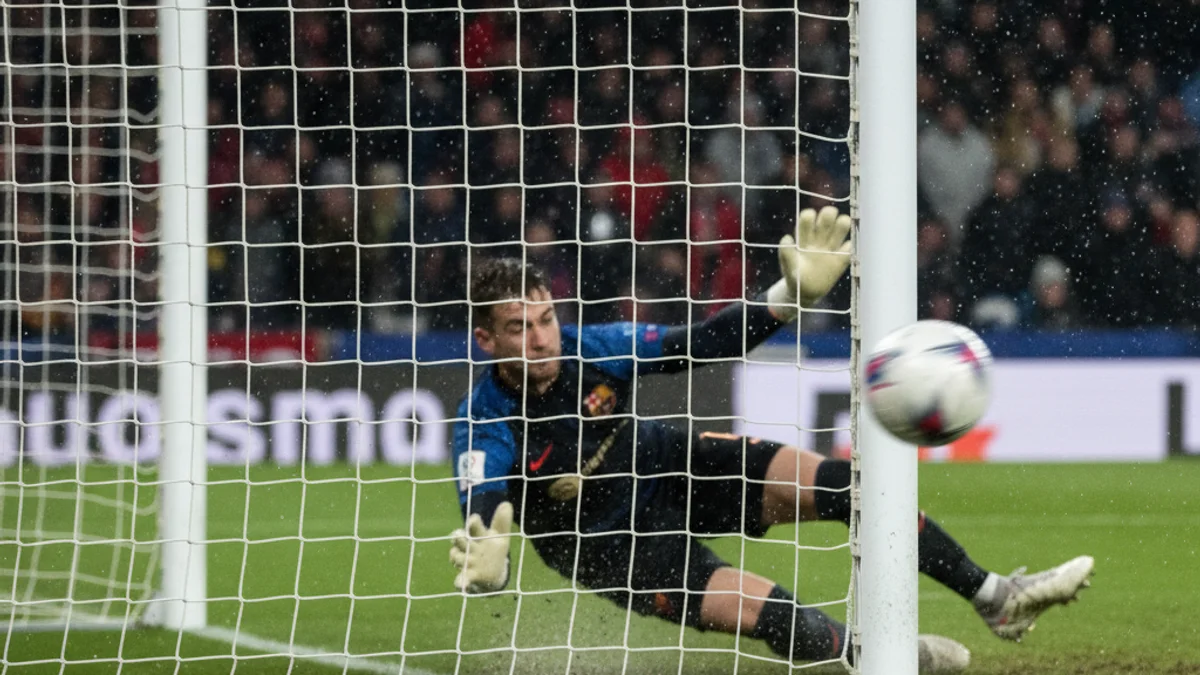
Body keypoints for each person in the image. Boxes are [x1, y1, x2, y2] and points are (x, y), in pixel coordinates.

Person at [448, 207, 1093, 673]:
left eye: (545, 319)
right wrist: (487, 546)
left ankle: (997, 599)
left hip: (663, 462)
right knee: (769, 610)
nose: (542, 339)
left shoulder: (594, 349)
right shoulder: (486, 417)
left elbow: (700, 344)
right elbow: (485, 494)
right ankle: (881, 661)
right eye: (519, 328)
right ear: (486, 341)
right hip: (611, 547)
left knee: (848, 486)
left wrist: (788, 296)